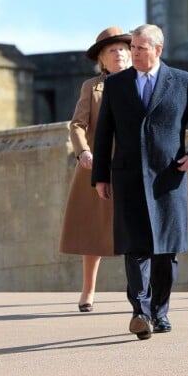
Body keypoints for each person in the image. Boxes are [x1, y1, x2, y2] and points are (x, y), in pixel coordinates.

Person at [92, 24, 188, 340]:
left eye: (140, 48)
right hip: (128, 177)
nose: (133, 53)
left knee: (166, 252)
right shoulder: (116, 84)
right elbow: (103, 133)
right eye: (132, 48)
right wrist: (100, 177)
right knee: (135, 248)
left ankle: (159, 311)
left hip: (168, 179)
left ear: (158, 50)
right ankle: (140, 311)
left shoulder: (182, 81)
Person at [59, 26, 131, 312]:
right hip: (97, 165)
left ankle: (138, 291)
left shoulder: (142, 83)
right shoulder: (92, 86)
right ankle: (88, 291)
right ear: (102, 59)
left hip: (130, 166)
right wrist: (83, 151)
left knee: (135, 229)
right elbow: (77, 124)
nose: (119, 54)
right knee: (92, 231)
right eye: (112, 50)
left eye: (123, 49)